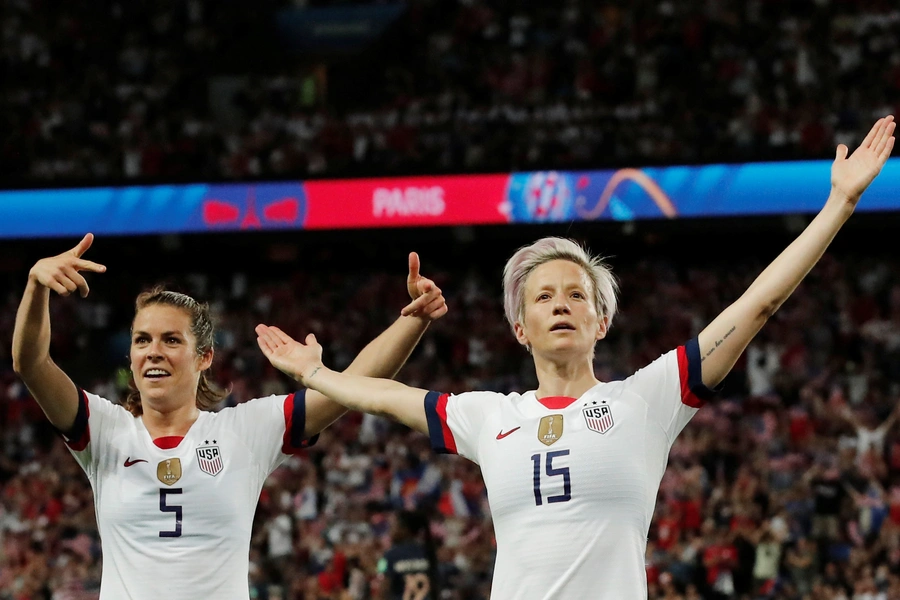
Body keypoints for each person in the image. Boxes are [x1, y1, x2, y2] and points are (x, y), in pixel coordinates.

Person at [254, 115, 896, 599]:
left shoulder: (645, 401)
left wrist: (839, 203)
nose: (560, 304)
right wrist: (316, 376)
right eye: (543, 297)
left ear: (602, 319)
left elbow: (756, 306)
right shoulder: (487, 416)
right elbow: (386, 397)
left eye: (576, 294)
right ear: (519, 328)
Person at [10, 234, 447, 600]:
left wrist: (415, 320)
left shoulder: (244, 431)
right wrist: (36, 288)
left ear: (204, 357)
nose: (153, 351)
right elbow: (32, 363)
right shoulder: (105, 432)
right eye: (142, 340)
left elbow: (352, 388)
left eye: (170, 340)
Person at [375, 510, 439, 600]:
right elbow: (436, 585)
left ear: (404, 529)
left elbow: (383, 587)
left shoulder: (390, 555)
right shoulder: (429, 552)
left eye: (392, 526)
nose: (389, 530)